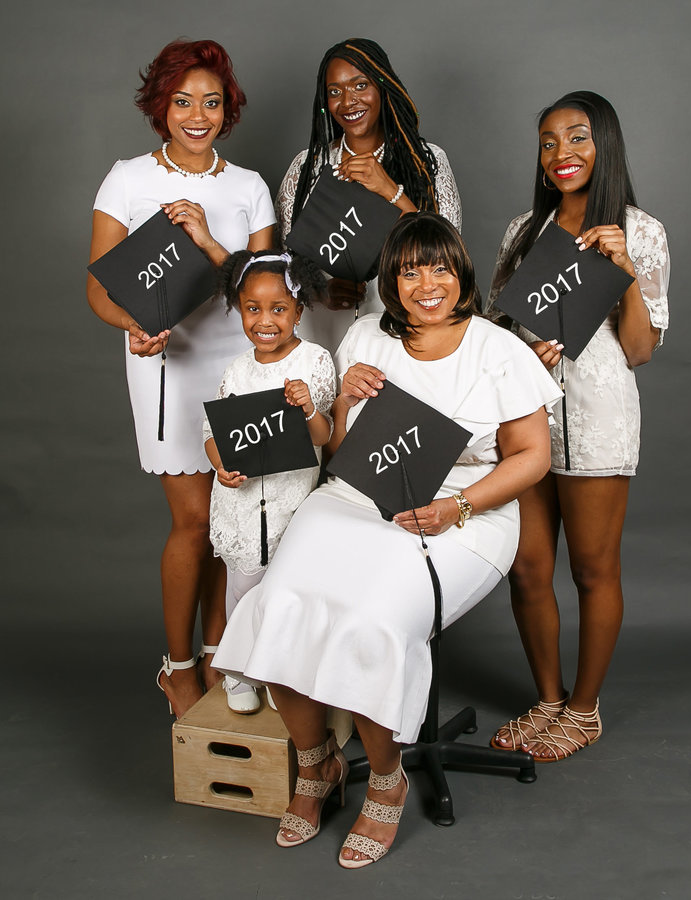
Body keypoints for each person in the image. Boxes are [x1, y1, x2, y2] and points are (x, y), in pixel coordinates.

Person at [213, 212, 561, 867]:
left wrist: (457, 506)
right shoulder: (366, 334)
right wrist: (343, 398)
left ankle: (385, 777)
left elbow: (532, 457)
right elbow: (343, 450)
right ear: (391, 281)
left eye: (440, 267)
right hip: (357, 496)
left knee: (371, 621)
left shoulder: (498, 349)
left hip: (466, 510)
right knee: (279, 601)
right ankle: (318, 766)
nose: (426, 283)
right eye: (408, 270)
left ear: (461, 274)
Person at [87, 39, 275, 718]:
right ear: (160, 106)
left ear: (229, 110)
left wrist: (205, 240)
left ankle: (225, 646)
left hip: (242, 361)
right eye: (183, 101)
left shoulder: (248, 186)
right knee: (194, 523)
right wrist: (130, 327)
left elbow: (263, 290)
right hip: (167, 363)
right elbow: (99, 287)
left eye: (212, 102)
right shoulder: (128, 178)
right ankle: (179, 663)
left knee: (235, 518)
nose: (198, 115)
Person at [485, 91, 670, 762]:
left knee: (593, 570)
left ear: (606, 145)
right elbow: (492, 335)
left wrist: (621, 269)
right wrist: (517, 352)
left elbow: (642, 348)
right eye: (548, 142)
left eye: (578, 137)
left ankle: (585, 710)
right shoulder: (521, 233)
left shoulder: (639, 230)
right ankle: (550, 698)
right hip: (528, 419)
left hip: (597, 416)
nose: (562, 153)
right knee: (528, 569)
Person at [202, 251, 335, 712]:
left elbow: (325, 436)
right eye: (253, 308)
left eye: (279, 309)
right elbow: (213, 435)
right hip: (240, 503)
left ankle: (281, 673)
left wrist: (308, 409)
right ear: (239, 309)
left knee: (286, 591)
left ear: (299, 310)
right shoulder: (236, 370)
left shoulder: (315, 361)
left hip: (289, 503)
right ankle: (239, 674)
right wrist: (220, 465)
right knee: (241, 589)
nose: (265, 320)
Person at [275, 37, 462, 352]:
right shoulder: (306, 167)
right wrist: (319, 290)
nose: (348, 102)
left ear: (382, 87)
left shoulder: (425, 161)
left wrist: (390, 190)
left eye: (360, 86)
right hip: (321, 325)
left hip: (399, 323)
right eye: (335, 91)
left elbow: (448, 255)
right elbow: (282, 259)